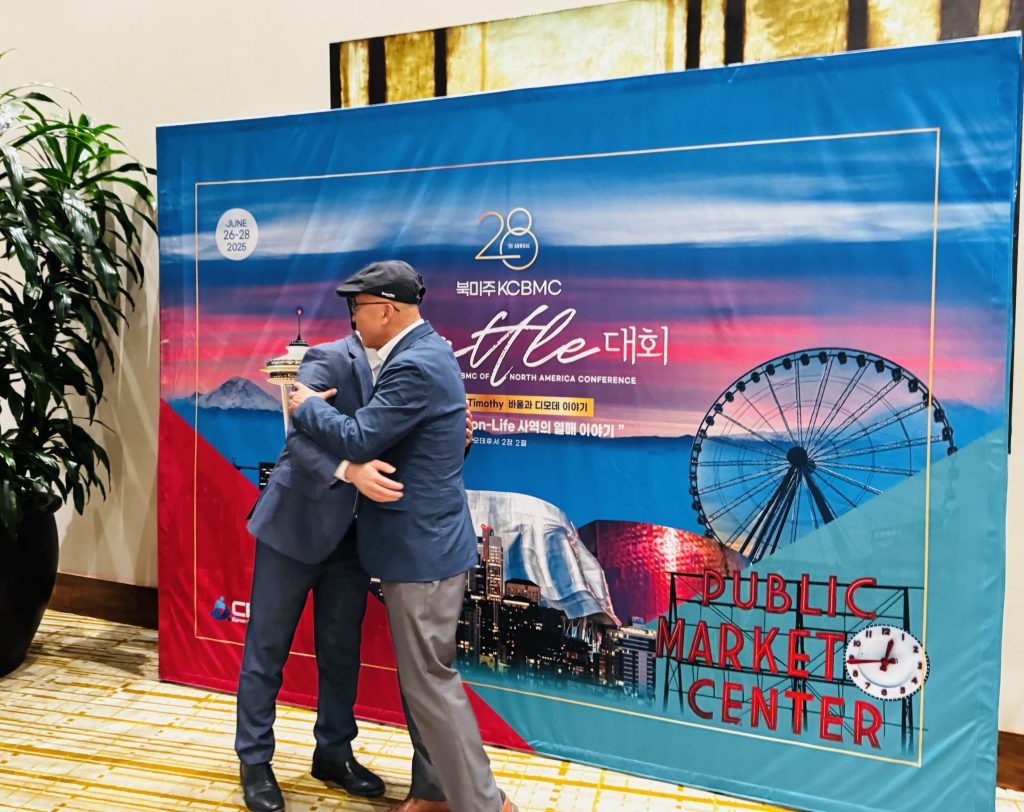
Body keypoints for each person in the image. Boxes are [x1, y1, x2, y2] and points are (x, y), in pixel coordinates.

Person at [288, 260, 517, 812]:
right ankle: (435, 795)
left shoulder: (414, 364)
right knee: (423, 684)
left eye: (358, 308)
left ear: (387, 310)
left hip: (422, 553)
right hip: (423, 547)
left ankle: (486, 805)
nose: (353, 320)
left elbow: (359, 437)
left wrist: (307, 407)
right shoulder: (428, 353)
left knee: (431, 685)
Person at [237, 327, 397, 812]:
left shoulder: (408, 369)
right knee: (266, 649)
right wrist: (348, 471)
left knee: (341, 651)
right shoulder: (329, 358)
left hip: (354, 537)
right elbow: (299, 441)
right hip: (293, 526)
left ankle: (333, 753)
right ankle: (255, 760)